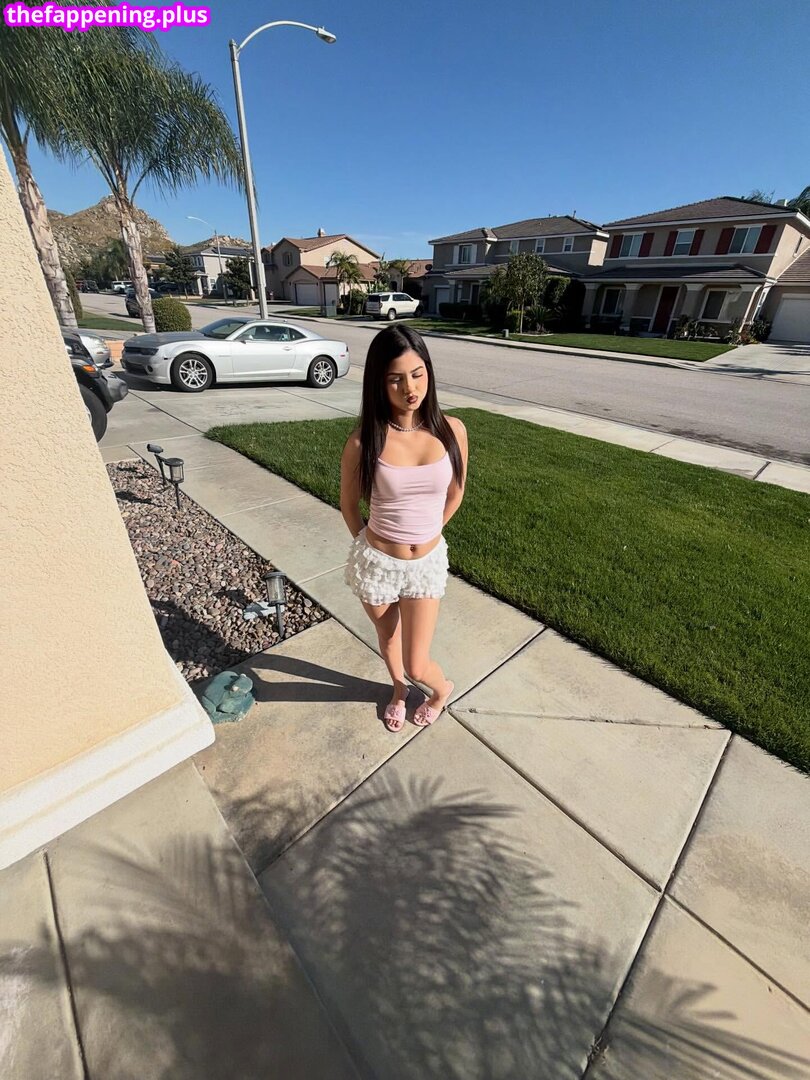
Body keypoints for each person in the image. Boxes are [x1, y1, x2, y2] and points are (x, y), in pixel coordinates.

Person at [340, 324, 468, 732]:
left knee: (417, 661)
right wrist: (370, 545)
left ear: (428, 371)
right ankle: (398, 690)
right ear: (379, 384)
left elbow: (455, 493)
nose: (410, 388)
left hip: (425, 566)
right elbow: (348, 505)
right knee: (389, 638)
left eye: (417, 374)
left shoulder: (453, 431)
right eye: (395, 379)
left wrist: (427, 534)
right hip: (377, 563)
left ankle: (440, 691)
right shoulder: (363, 442)